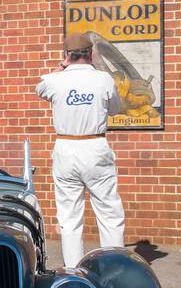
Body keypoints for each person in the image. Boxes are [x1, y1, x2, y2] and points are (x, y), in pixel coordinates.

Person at [35, 32, 126, 268]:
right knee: (108, 211)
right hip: (95, 145)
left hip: (66, 147)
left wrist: (61, 67)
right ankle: (113, 266)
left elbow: (40, 88)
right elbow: (116, 109)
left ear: (67, 55)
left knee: (69, 216)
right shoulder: (104, 79)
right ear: (91, 54)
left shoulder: (55, 80)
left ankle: (74, 271)